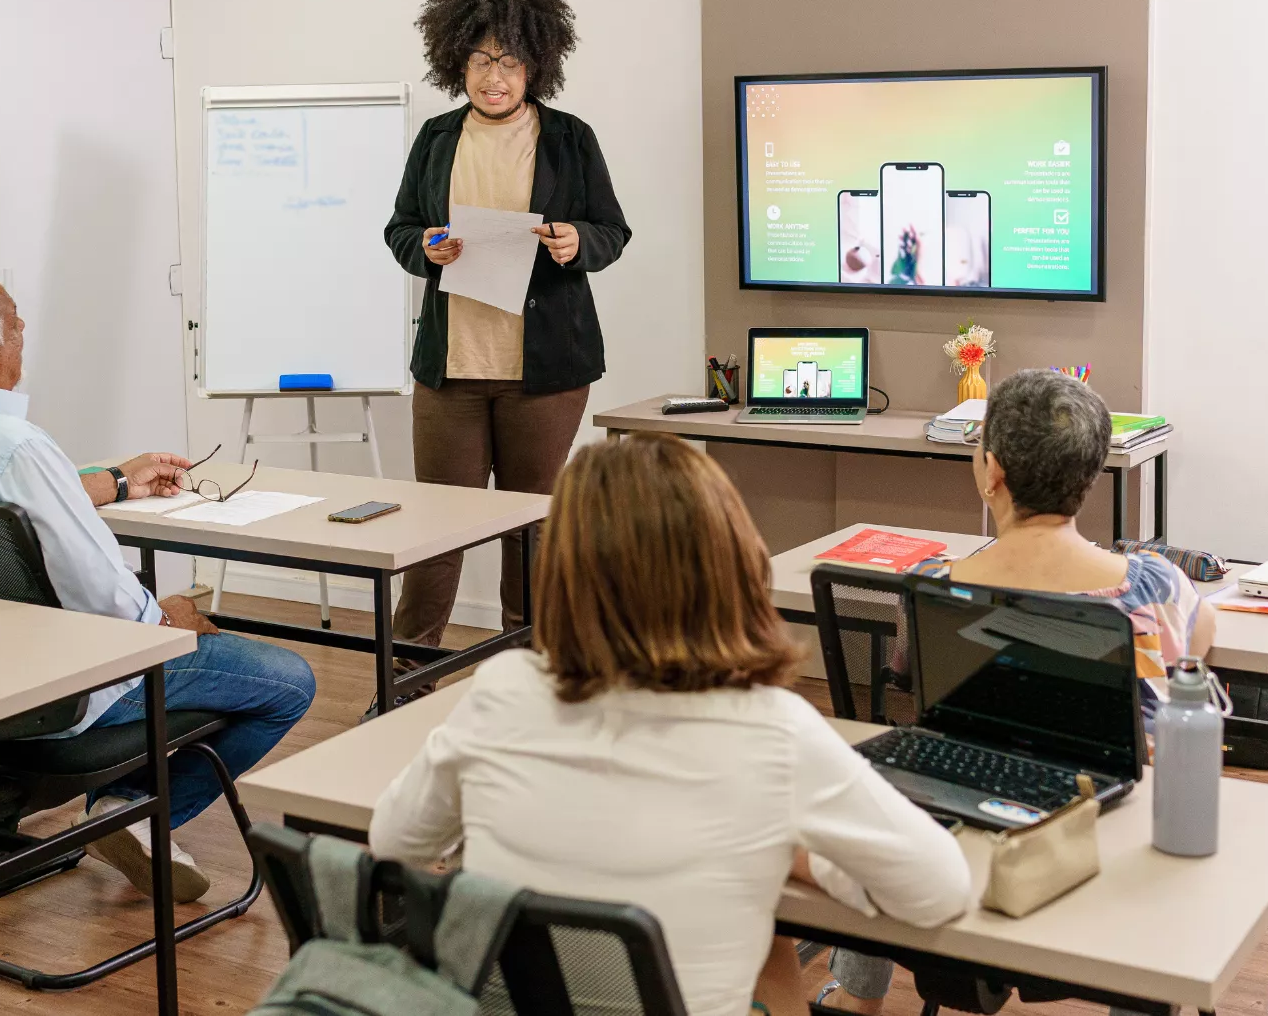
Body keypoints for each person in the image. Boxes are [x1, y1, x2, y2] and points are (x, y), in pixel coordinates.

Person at [367, 434, 971, 1016]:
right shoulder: (772, 730)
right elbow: (940, 890)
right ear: (731, 561)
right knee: (772, 958)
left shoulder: (504, 690)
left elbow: (395, 841)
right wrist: (797, 857)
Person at [0, 269, 315, 904]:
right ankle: (129, 808)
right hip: (76, 688)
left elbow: (3, 515)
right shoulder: (19, 447)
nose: (25, 338)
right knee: (290, 682)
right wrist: (173, 619)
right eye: (17, 327)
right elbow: (115, 607)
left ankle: (126, 809)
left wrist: (119, 481)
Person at [817, 368, 1213, 1015]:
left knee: (889, 789)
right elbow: (1198, 650)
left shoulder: (934, 580)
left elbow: (904, 670)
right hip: (1102, 840)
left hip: (958, 832)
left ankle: (856, 997)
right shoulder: (1153, 586)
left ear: (990, 473)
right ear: (1088, 475)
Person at [382, 0, 631, 694]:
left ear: (536, 67)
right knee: (439, 523)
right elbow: (400, 228)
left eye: (510, 62)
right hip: (451, 365)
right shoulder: (435, 139)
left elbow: (612, 230)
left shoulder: (568, 139)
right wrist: (423, 247)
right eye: (482, 61)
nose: (495, 77)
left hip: (545, 368)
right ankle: (408, 667)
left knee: (533, 523)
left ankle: (537, 668)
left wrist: (573, 242)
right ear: (456, 62)